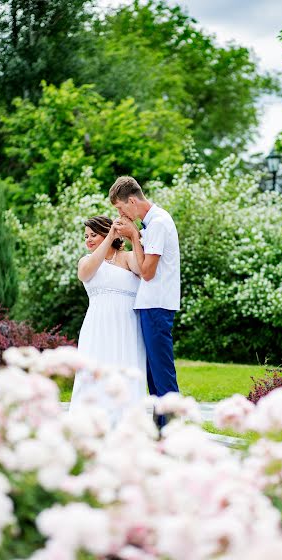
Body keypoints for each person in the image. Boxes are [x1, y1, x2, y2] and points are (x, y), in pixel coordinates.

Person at [109, 176, 180, 428]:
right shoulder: (152, 224)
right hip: (151, 305)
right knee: (153, 374)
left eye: (119, 208)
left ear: (131, 201)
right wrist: (136, 236)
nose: (120, 213)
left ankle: (173, 429)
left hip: (157, 305)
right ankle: (161, 428)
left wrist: (133, 237)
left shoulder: (159, 223)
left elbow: (147, 272)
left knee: (162, 373)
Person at [69, 216, 146, 420]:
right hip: (97, 326)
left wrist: (134, 237)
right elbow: (85, 275)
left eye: (93, 235)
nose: (88, 240)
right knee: (95, 369)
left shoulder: (127, 257)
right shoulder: (86, 261)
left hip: (127, 324)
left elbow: (142, 269)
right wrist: (109, 236)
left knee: (125, 368)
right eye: (86, 236)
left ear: (105, 233)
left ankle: (126, 420)